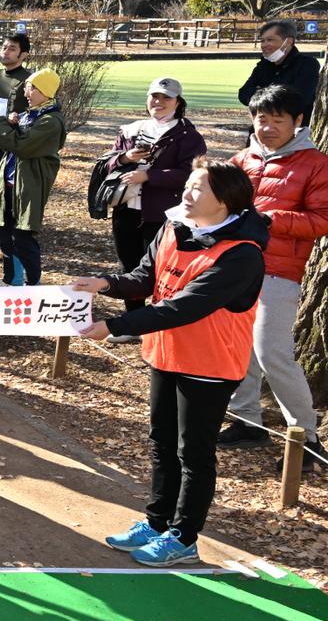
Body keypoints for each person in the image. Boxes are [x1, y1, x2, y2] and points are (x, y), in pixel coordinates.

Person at [74, 160, 268, 566]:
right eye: (190, 184)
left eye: (199, 188)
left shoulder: (242, 255)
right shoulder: (172, 227)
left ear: (226, 202)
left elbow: (184, 307)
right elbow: (146, 277)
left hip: (210, 365)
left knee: (193, 453)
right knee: (161, 442)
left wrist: (116, 325)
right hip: (166, 353)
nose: (187, 192)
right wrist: (106, 283)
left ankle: (184, 536)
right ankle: (156, 520)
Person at [220, 85, 328, 472]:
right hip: (235, 267)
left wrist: (270, 219)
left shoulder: (315, 164)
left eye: (276, 120)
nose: (266, 127)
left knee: (271, 352)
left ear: (298, 121)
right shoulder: (242, 159)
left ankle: (307, 436)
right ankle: (248, 422)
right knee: (238, 347)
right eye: (260, 119)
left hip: (280, 271)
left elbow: (322, 221)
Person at [104, 78, 207, 311]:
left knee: (163, 268)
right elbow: (108, 165)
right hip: (126, 208)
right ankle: (134, 323)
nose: (158, 102)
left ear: (178, 102)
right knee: (129, 266)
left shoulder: (188, 136)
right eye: (154, 96)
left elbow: (191, 174)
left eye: (166, 97)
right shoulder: (131, 129)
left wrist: (150, 176)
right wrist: (125, 158)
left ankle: (158, 323)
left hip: (163, 214)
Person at [0, 69, 66, 286]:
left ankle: (33, 284)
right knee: (6, 235)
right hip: (10, 185)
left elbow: (21, 146)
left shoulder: (51, 121)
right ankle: (13, 280)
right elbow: (15, 139)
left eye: (33, 87)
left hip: (29, 186)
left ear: (46, 91)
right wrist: (11, 123)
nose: (27, 92)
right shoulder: (31, 115)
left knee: (23, 237)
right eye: (27, 86)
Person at [238, 20, 320, 125]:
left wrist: (260, 93)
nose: (264, 45)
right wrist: (279, 93)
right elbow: (243, 94)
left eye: (270, 40)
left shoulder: (307, 64)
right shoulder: (263, 65)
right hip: (260, 130)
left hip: (294, 133)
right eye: (262, 40)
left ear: (288, 42)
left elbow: (298, 100)